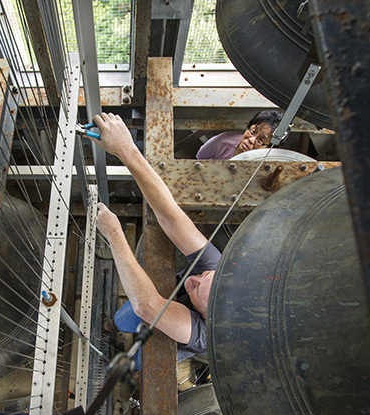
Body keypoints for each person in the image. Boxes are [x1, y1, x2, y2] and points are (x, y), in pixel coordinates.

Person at [93, 113, 221, 366]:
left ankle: (128, 362)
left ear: (207, 314)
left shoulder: (205, 332)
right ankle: (112, 327)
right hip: (164, 305)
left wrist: (114, 233)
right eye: (202, 276)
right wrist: (126, 150)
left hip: (172, 337)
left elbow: (147, 306)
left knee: (146, 358)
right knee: (126, 314)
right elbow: (171, 217)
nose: (192, 278)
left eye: (196, 288)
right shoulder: (216, 269)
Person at [196, 109, 283, 160]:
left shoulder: (266, 163)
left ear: (269, 149)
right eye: (253, 131)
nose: (251, 140)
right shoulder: (224, 141)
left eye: (260, 140)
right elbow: (201, 156)